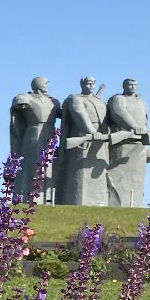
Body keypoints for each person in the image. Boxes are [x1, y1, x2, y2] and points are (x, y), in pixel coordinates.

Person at [56, 76, 109, 206]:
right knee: (81, 172)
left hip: (100, 137)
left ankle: (99, 203)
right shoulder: (76, 99)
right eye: (88, 83)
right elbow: (80, 115)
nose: (91, 86)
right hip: (83, 135)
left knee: (98, 173)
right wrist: (91, 131)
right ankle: (77, 201)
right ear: (82, 84)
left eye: (93, 83)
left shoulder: (99, 100)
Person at [8, 76, 60, 202]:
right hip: (33, 133)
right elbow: (19, 100)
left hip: (50, 134)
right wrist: (21, 101)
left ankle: (47, 199)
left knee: (49, 166)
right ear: (37, 84)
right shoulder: (28, 97)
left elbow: (63, 113)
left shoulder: (53, 101)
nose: (47, 86)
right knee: (32, 164)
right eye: (45, 84)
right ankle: (27, 196)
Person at [105, 77, 150, 207]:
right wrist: (134, 127)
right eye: (130, 85)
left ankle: (134, 204)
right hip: (122, 142)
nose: (133, 87)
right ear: (124, 86)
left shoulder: (142, 102)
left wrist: (145, 133)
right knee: (117, 177)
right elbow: (119, 114)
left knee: (136, 181)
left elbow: (145, 121)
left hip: (139, 143)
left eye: (135, 85)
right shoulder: (118, 99)